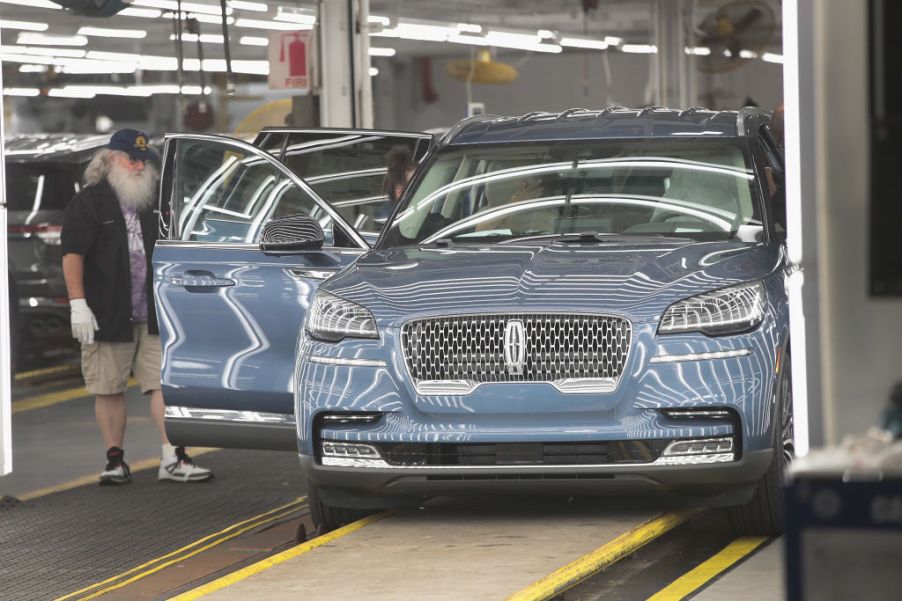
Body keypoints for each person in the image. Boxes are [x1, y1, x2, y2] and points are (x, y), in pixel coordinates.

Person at [61, 129, 213, 486]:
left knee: (163, 386)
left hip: (155, 311)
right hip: (106, 310)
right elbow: (73, 255)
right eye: (132, 159)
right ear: (110, 158)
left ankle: (172, 457)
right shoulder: (89, 203)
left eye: (144, 161)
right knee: (108, 386)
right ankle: (115, 461)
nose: (139, 166)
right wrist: (77, 303)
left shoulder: (156, 203)